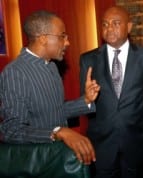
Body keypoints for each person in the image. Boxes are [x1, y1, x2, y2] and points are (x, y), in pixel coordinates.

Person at [0, 10, 100, 165]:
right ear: (43, 39)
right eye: (62, 36)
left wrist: (85, 100)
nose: (67, 42)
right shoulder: (15, 72)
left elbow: (56, 110)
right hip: (38, 162)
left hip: (57, 156)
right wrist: (57, 132)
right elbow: (12, 130)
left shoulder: (52, 66)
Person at [79, 6, 143, 178]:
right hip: (101, 143)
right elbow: (85, 102)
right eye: (105, 24)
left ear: (129, 27)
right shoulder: (88, 59)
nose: (109, 28)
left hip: (136, 141)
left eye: (116, 23)